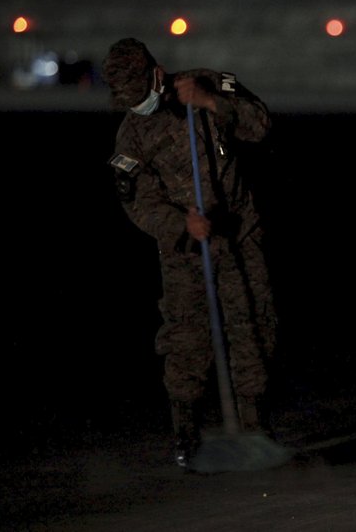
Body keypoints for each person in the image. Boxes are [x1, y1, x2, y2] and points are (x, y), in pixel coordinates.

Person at [103, 38, 278, 468]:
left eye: (140, 95)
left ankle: (255, 428)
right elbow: (136, 201)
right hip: (186, 249)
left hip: (239, 234)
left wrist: (212, 103)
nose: (136, 106)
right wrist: (181, 223)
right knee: (185, 340)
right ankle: (186, 434)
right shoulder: (131, 133)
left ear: (157, 74)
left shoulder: (209, 83)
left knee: (251, 327)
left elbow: (260, 125)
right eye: (127, 101)